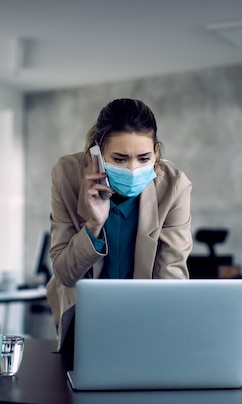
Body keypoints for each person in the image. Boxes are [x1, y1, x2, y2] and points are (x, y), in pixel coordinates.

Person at [45, 98, 193, 355]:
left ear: (156, 151)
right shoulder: (67, 175)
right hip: (84, 322)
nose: (133, 169)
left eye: (144, 157)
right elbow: (64, 273)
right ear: (97, 152)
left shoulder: (175, 187)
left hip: (147, 321)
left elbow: (172, 279)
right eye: (120, 158)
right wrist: (93, 224)